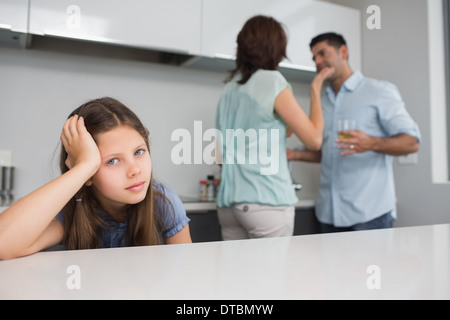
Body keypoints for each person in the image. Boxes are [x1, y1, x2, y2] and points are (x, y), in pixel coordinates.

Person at [0, 97, 191, 260]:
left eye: (139, 152)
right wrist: (83, 168)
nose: (135, 170)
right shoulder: (73, 209)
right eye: (113, 161)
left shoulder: (164, 202)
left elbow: (186, 275)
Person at [287, 32, 421, 233]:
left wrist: (371, 143)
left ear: (343, 51)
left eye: (323, 54)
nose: (318, 61)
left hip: (368, 215)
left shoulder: (379, 91)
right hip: (328, 214)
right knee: (330, 266)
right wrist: (293, 154)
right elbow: (328, 152)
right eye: (314, 57)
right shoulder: (323, 103)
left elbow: (412, 142)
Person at [215, 15, 333, 240]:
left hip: (229, 207)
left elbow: (220, 157)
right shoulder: (272, 80)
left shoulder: (228, 89)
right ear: (276, 48)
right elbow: (315, 140)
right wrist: (316, 89)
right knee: (271, 276)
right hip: (266, 203)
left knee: (236, 275)